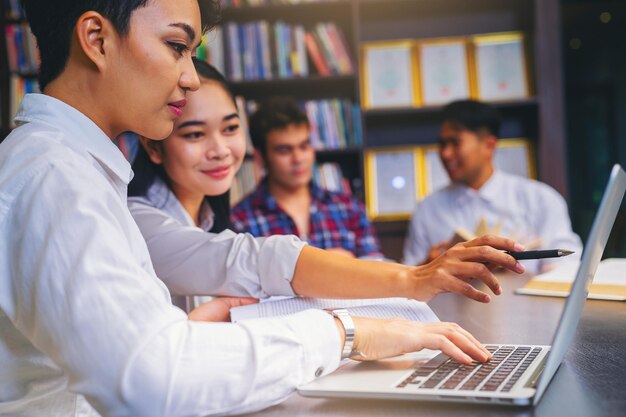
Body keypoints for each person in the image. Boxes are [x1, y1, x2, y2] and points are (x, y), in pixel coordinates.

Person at [0, 2, 524, 416]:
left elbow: (245, 260)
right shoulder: (55, 176)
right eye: (177, 47)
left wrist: (408, 285)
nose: (189, 77)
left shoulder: (74, 169)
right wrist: (346, 332)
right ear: (96, 39)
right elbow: (152, 382)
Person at [403, 100, 583, 273]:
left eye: (455, 143)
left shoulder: (540, 199)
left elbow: (565, 265)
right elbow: (408, 275)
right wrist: (429, 266)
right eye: (442, 144)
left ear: (489, 145)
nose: (446, 153)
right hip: (450, 304)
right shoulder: (427, 209)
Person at [230, 96, 382, 259]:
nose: (298, 159)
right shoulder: (240, 221)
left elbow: (376, 268)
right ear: (261, 158)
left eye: (304, 146)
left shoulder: (348, 208)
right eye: (284, 150)